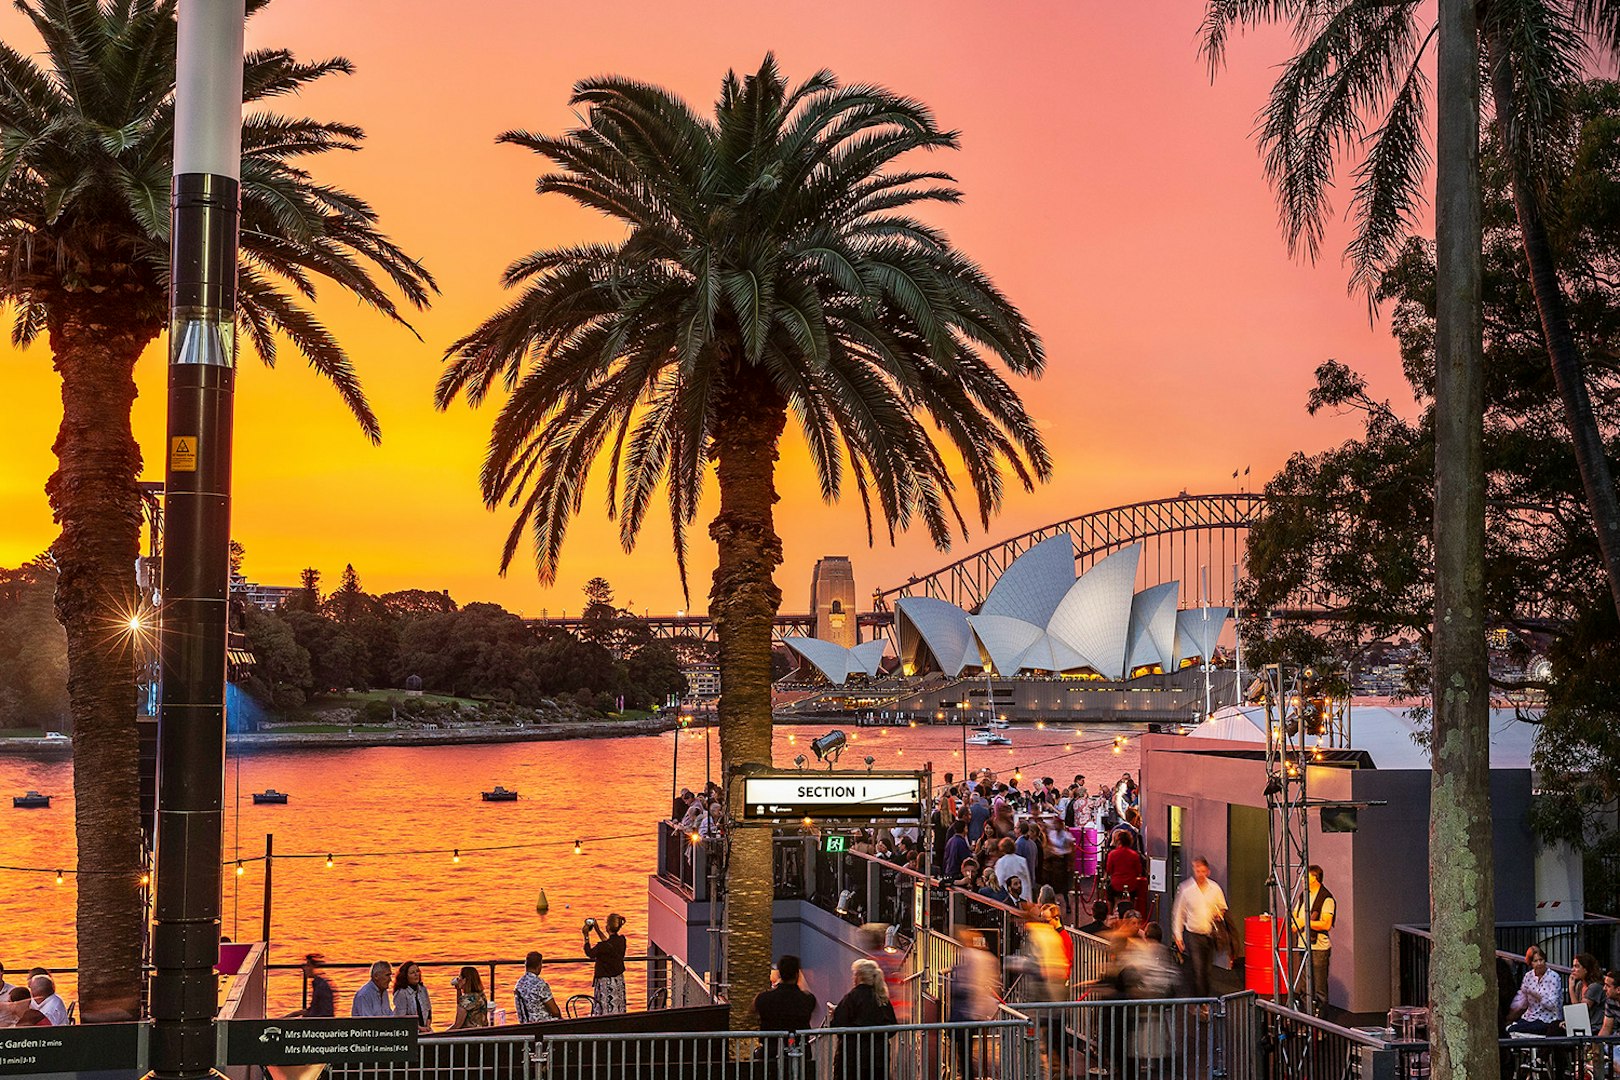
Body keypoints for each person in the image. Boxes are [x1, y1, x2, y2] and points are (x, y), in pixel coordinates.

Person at [1170, 857, 1227, 1005]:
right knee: (1198, 967)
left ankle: (1203, 997)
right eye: (1197, 870)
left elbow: (1222, 907)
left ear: (1208, 871)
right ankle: (1201, 1001)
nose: (1200, 873)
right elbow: (1179, 913)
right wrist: (1178, 935)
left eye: (1202, 870)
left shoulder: (1215, 889)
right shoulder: (1186, 889)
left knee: (1207, 969)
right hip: (1193, 934)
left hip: (1209, 933)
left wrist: (1219, 915)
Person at [831, 958, 898, 1080]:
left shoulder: (851, 997)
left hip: (852, 1059)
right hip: (878, 1058)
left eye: (854, 974)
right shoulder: (882, 999)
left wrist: (834, 1015)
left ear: (859, 976)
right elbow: (892, 1027)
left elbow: (838, 1025)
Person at [947, 929, 1001, 1080]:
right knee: (969, 1044)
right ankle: (974, 1073)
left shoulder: (967, 955)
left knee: (963, 1046)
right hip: (982, 1008)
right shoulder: (989, 957)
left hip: (967, 1009)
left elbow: (962, 984)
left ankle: (967, 1074)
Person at [1293, 864, 1335, 1013]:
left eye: (1307, 876)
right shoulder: (1303, 896)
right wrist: (1296, 923)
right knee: (1305, 988)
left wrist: (1305, 922)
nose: (1303, 879)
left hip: (1318, 948)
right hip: (1303, 945)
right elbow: (1295, 918)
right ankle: (1306, 1019)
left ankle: (1321, 1024)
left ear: (1315, 878)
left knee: (1319, 988)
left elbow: (1326, 924)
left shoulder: (1326, 898)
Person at [1506, 946, 1563, 1034]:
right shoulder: (1528, 976)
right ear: (1531, 963)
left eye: (1541, 960)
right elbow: (1522, 1000)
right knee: (1510, 1029)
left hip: (1547, 1019)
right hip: (1529, 1017)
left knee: (1517, 1029)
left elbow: (1553, 1005)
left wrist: (1538, 996)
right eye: (1535, 961)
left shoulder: (1554, 977)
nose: (1539, 963)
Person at [753, 954, 817, 1030]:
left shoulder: (763, 999)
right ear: (797, 974)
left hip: (772, 1041)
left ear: (780, 973)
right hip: (798, 1041)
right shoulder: (808, 1000)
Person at [585, 913, 629, 1014]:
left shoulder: (602, 947)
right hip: (618, 979)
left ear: (608, 927)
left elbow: (590, 953)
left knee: (605, 1008)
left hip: (605, 982)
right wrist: (597, 930)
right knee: (617, 1007)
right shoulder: (621, 940)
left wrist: (586, 936)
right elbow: (609, 943)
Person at [513, 951, 560, 1023]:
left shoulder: (518, 984)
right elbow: (555, 1011)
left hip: (524, 1025)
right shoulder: (540, 984)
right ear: (539, 966)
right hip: (542, 1026)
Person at [1104, 830, 1144, 913]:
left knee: (1109, 895)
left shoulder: (1112, 854)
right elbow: (1138, 871)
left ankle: (1110, 913)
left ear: (1118, 841)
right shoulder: (1134, 855)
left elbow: (1109, 870)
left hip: (1116, 884)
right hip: (1131, 885)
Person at [391, 960, 434, 1031]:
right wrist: (420, 1028)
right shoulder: (401, 993)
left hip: (426, 1030)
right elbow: (401, 1018)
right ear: (405, 976)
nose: (416, 974)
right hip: (410, 1031)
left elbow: (428, 1010)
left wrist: (427, 1026)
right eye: (412, 973)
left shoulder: (423, 989)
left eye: (417, 971)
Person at [288, 954, 335, 1018]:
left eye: (307, 965)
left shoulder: (321, 986)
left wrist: (300, 1013)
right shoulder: (319, 983)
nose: (305, 969)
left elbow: (320, 1012)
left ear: (313, 967)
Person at [1570, 952, 1604, 1030]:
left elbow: (1579, 1012)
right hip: (1583, 1025)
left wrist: (1571, 989)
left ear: (1586, 970)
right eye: (1573, 966)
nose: (1573, 970)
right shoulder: (1579, 985)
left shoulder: (1595, 987)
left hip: (1595, 1027)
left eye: (1576, 966)